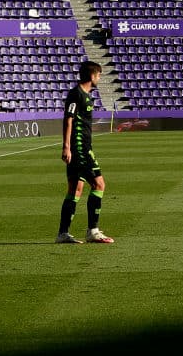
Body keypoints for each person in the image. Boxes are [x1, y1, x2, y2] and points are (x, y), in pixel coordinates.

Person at [55, 60, 114, 244]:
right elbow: (68, 119)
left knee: (75, 189)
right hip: (80, 149)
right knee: (99, 185)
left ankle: (63, 234)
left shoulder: (87, 96)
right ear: (92, 75)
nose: (99, 78)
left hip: (80, 147)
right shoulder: (76, 94)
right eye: (98, 75)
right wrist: (66, 146)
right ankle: (93, 231)